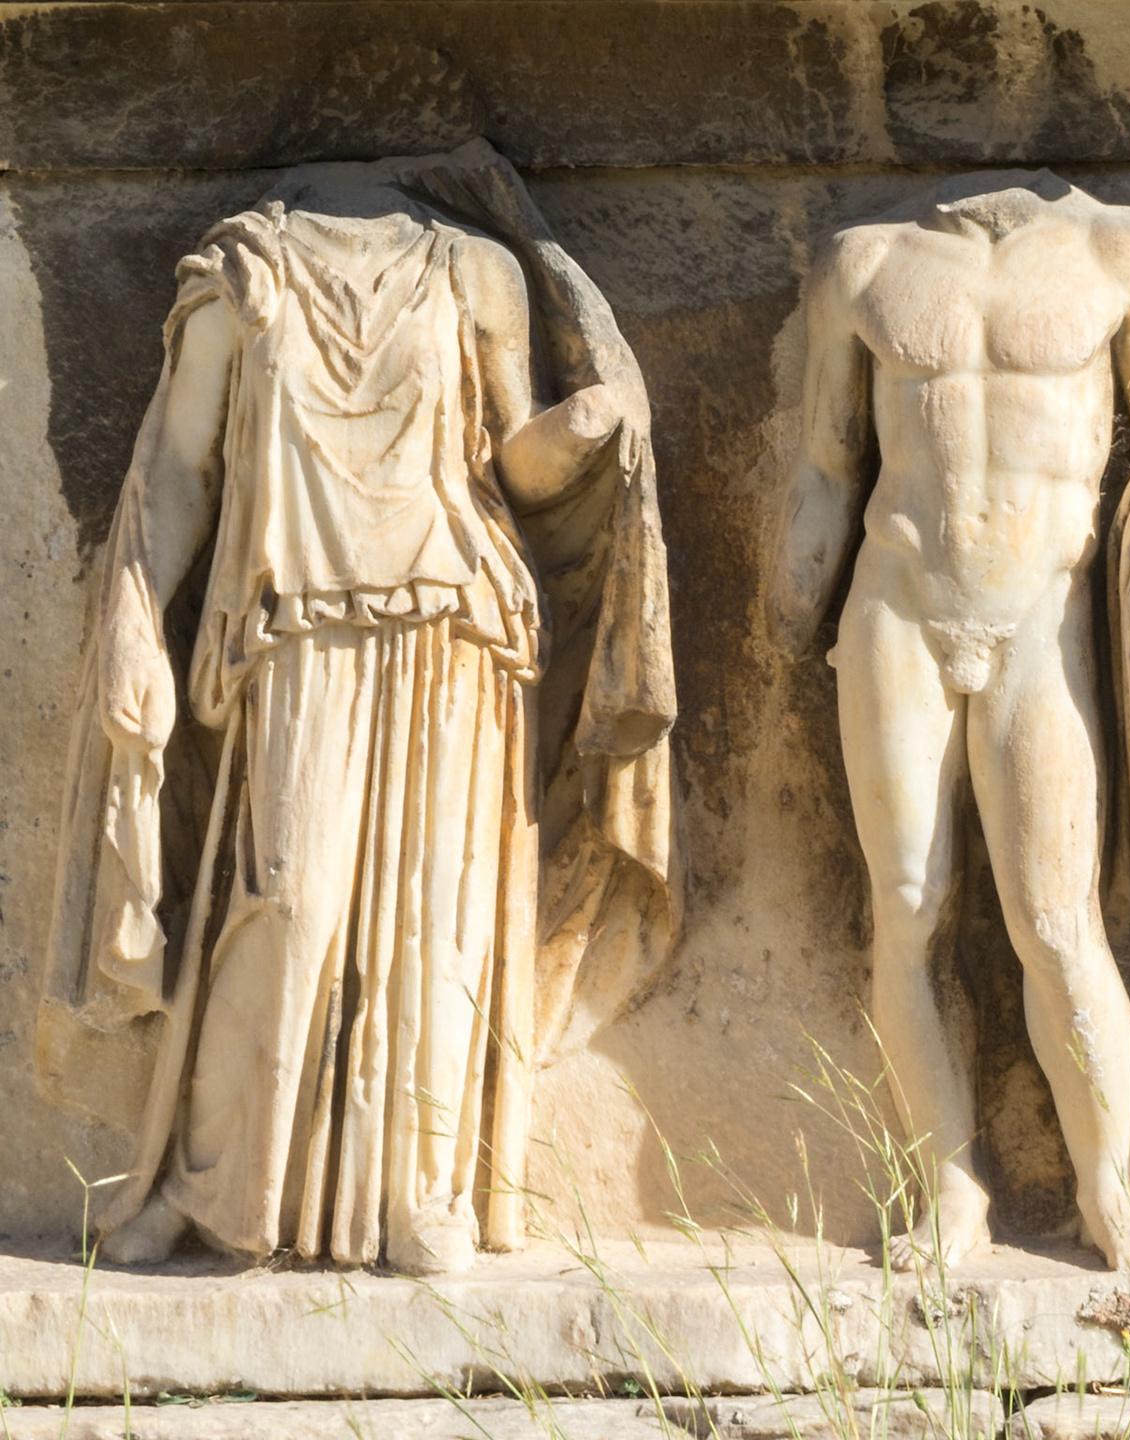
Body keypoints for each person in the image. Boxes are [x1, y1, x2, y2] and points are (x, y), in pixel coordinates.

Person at [40, 142, 676, 1274]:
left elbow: (511, 462)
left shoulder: (475, 270)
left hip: (454, 626)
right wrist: (140, 617)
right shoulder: (249, 271)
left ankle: (418, 1193)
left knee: (437, 918)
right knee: (284, 899)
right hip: (298, 628)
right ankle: (204, 1183)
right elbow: (178, 468)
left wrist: (583, 431)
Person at [769, 172, 1130, 1270]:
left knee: (1056, 922)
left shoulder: (1120, 249)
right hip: (898, 601)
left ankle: (1113, 1196)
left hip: (1040, 614)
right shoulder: (864, 260)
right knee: (908, 907)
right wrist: (783, 611)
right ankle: (951, 1189)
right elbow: (829, 465)